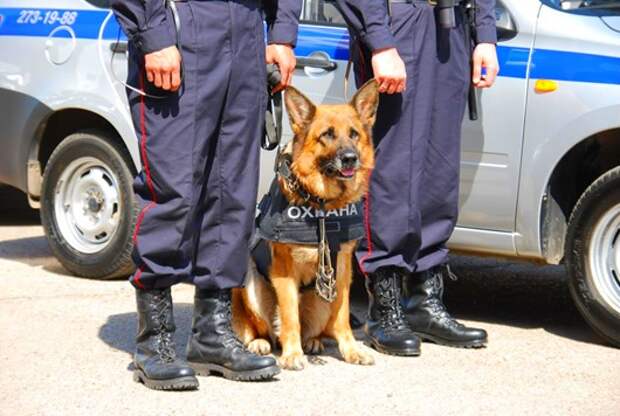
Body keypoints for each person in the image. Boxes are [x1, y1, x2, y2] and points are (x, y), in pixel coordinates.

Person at [111, 0, 301, 390]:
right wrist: (154, 34)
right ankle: (155, 340)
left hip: (246, 31)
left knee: (232, 191)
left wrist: (282, 32)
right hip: (183, 27)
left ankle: (212, 335)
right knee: (173, 189)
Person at [335, 0, 499, 355]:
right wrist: (379, 40)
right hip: (398, 24)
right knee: (393, 170)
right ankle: (384, 308)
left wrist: (485, 33)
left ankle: (426, 301)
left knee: (439, 170)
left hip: (451, 26)